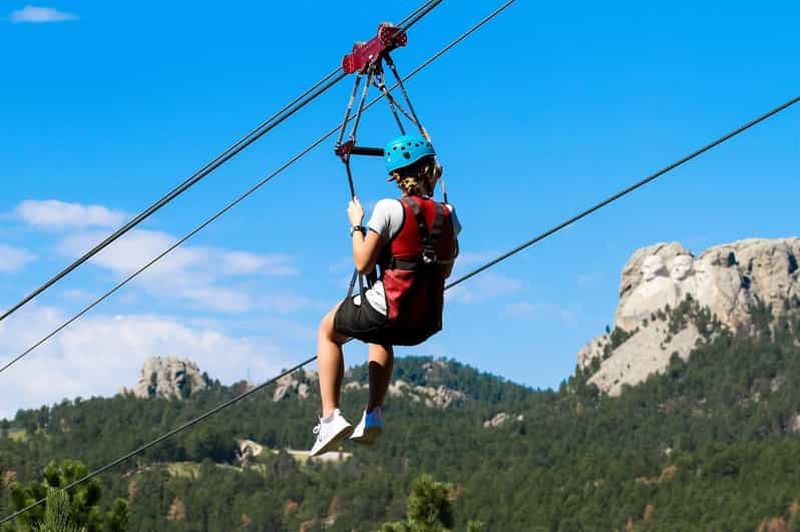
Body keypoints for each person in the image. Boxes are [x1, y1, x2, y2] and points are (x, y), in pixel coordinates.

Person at [310, 134, 461, 456]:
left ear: (398, 177)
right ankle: (373, 413)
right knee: (379, 335)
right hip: (423, 321)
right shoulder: (449, 214)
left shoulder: (389, 208)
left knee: (327, 330)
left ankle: (330, 417)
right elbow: (444, 270)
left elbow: (363, 264)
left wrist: (356, 225)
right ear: (429, 171)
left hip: (387, 309)